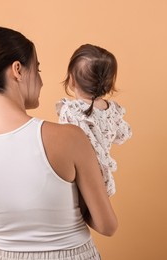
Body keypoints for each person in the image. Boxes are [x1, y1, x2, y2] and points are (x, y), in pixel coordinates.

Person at [0, 27, 117, 260]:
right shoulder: (68, 138)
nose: (42, 81)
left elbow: (9, 217)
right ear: (17, 70)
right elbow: (107, 226)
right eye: (37, 69)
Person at [56, 44, 132, 197]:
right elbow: (124, 134)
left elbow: (63, 143)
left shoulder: (71, 110)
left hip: (79, 177)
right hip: (103, 180)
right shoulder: (111, 109)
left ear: (71, 79)